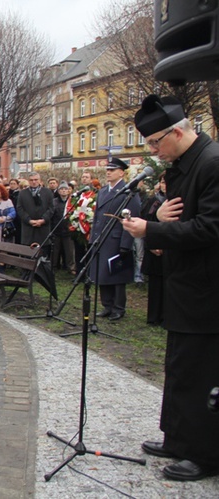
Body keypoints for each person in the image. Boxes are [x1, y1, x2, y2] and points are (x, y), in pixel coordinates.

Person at [122, 94, 219, 481]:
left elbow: (210, 228)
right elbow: (175, 219)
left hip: (208, 291)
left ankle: (206, 453)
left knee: (201, 372)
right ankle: (179, 437)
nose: (152, 151)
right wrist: (158, 222)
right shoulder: (182, 165)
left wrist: (155, 230)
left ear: (177, 132)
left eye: (154, 143)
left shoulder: (212, 164)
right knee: (178, 367)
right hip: (184, 286)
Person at [89, 157, 140, 322]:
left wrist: (126, 243)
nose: (108, 173)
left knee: (117, 276)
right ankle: (107, 305)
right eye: (107, 170)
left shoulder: (128, 192)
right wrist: (93, 237)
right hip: (101, 238)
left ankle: (118, 308)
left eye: (112, 170)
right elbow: (97, 216)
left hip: (116, 239)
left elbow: (131, 219)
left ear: (121, 172)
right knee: (102, 273)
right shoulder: (103, 191)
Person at [140, 172, 166, 326]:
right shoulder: (153, 201)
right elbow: (145, 222)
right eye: (162, 182)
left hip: (170, 248)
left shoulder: (177, 201)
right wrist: (151, 244)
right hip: (153, 248)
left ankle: (166, 316)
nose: (165, 185)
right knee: (155, 285)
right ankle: (154, 316)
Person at [15, 172, 54, 246]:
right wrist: (29, 220)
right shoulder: (22, 193)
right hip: (28, 229)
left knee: (43, 254)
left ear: (40, 180)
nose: (34, 182)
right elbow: (19, 208)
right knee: (27, 254)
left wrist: (43, 220)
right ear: (28, 181)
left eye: (36, 179)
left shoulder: (47, 192)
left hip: (43, 229)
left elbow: (51, 208)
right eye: (31, 180)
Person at [0, 183, 16, 272]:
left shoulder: (8, 201)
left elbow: (13, 213)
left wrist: (5, 218)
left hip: (6, 228)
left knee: (3, 248)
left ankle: (2, 267)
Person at [51, 182, 75, 273]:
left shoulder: (72, 201)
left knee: (69, 251)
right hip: (56, 229)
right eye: (61, 189)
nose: (64, 191)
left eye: (65, 189)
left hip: (68, 230)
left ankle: (71, 267)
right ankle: (53, 266)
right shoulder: (54, 202)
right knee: (55, 250)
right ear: (58, 191)